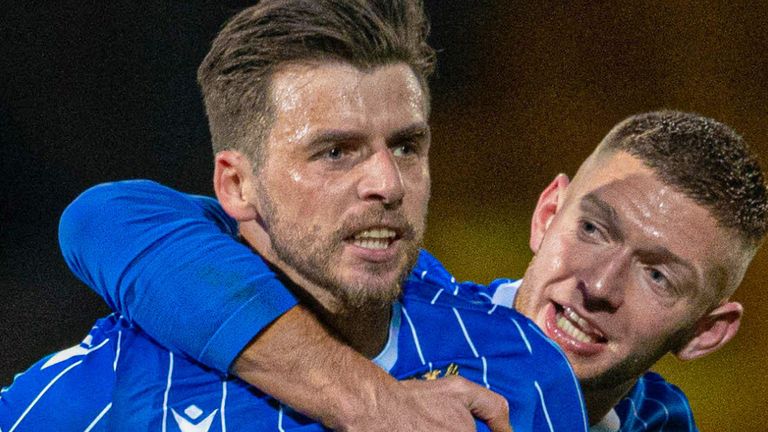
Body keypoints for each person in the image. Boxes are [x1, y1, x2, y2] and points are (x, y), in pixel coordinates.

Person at [0, 1, 588, 431]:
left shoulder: (521, 368)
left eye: (407, 146)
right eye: (335, 152)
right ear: (236, 184)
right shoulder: (110, 390)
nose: (387, 184)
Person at [43, 110, 768, 431]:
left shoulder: (660, 422)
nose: (599, 286)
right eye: (591, 228)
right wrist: (373, 403)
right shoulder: (385, 293)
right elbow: (106, 219)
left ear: (705, 333)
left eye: (658, 276)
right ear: (548, 213)